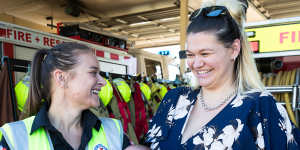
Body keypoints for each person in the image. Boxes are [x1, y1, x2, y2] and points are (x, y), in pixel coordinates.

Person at [146, 0, 300, 149]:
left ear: (234, 49)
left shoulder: (260, 107)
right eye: (190, 55)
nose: (196, 63)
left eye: (205, 53)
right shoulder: (173, 99)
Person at [0, 42, 133, 150]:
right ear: (61, 77)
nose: (103, 82)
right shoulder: (14, 137)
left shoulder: (114, 131)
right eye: (93, 73)